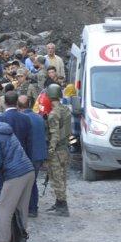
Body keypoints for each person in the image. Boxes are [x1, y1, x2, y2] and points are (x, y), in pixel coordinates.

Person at [45, 85, 71, 216]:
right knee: (62, 177)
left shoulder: (53, 114)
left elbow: (54, 134)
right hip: (65, 148)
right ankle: (59, 202)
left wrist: (50, 149)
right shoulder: (66, 109)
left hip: (57, 150)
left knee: (57, 179)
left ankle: (62, 206)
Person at [20, 95, 47, 217]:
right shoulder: (39, 118)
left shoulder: (22, 119)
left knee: (25, 182)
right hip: (39, 155)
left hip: (28, 154)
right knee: (33, 181)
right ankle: (32, 208)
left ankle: (27, 208)